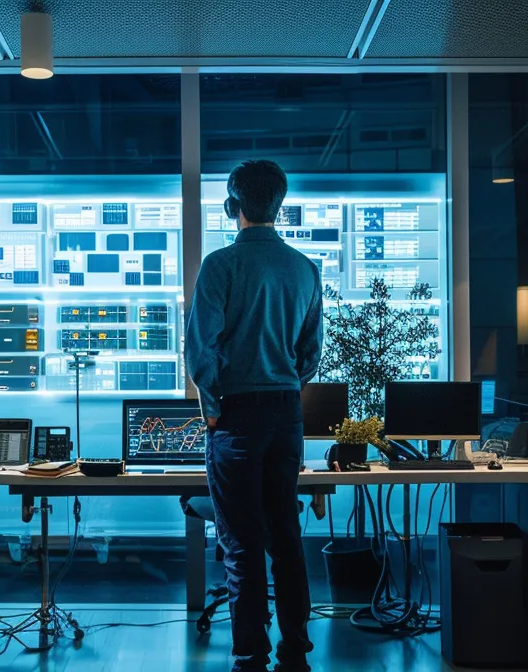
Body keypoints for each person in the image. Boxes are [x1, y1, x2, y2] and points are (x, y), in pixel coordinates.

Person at [186, 159, 323, 672]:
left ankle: (249, 654)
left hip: (237, 418)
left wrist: (218, 410)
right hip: (287, 415)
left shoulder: (221, 266)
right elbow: (310, 356)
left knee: (241, 544)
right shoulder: (305, 269)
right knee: (286, 535)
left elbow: (201, 352)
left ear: (232, 206)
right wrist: (285, 388)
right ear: (279, 208)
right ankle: (296, 650)